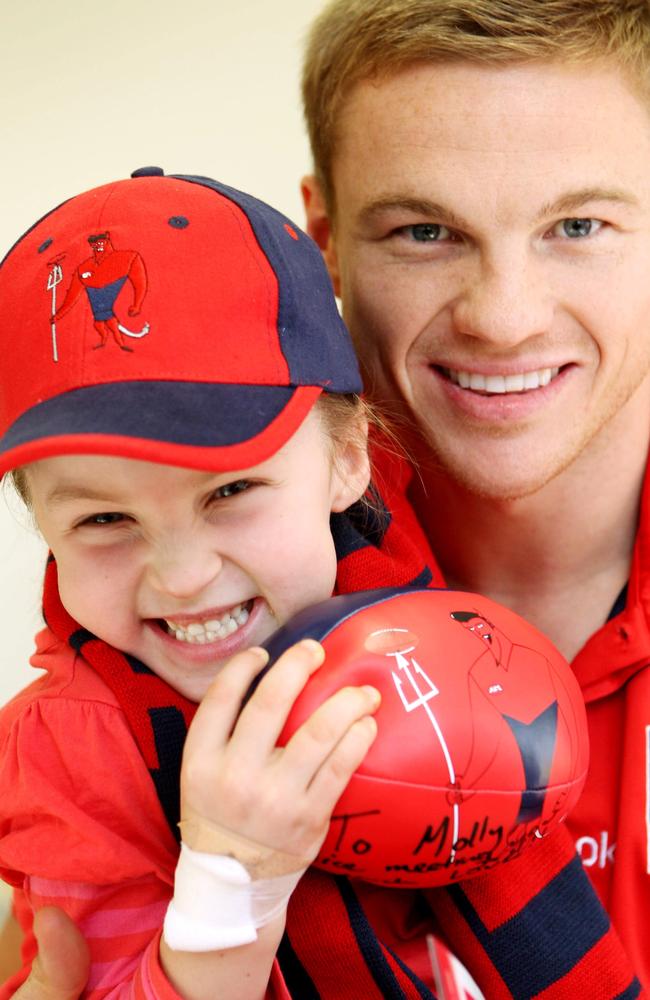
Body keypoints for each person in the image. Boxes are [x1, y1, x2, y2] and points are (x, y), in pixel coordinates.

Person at [0, 170, 640, 999]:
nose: (184, 576)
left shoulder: (405, 593)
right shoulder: (73, 751)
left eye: (229, 492)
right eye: (102, 522)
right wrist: (231, 880)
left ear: (349, 461)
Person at [299, 0, 650, 987]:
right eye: (424, 232)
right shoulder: (201, 591)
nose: (500, 317)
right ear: (324, 241)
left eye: (576, 226)